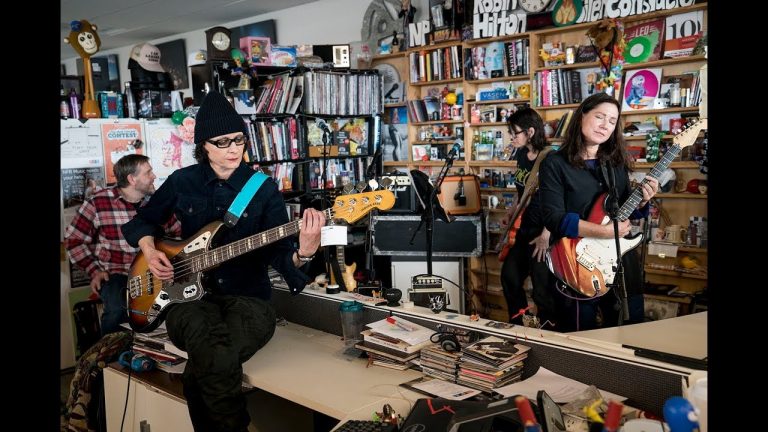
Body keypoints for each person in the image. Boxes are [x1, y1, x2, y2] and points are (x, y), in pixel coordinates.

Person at [121, 91, 326, 432]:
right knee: (208, 344)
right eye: (223, 142)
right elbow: (142, 222)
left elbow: (279, 251)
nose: (234, 149)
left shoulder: (262, 188)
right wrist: (149, 248)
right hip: (186, 299)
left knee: (205, 367)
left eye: (239, 141)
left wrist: (304, 251)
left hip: (249, 300)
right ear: (204, 146)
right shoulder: (181, 181)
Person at [538, 93, 660, 331]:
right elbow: (554, 218)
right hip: (577, 263)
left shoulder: (614, 163)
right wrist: (603, 232)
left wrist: (643, 202)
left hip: (620, 263)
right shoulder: (555, 164)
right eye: (600, 117)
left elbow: (624, 212)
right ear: (582, 115)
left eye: (612, 121)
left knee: (630, 332)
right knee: (579, 338)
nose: (605, 125)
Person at [65, 154, 177, 335]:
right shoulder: (98, 202)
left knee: (172, 313)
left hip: (154, 274)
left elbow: (179, 233)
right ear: (132, 179)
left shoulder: (157, 201)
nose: (154, 176)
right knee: (118, 310)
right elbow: (74, 240)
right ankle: (110, 359)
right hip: (116, 274)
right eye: (148, 172)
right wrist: (95, 271)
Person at [499, 108, 558, 328]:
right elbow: (522, 191)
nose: (512, 137)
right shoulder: (523, 155)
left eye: (515, 133)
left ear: (530, 131)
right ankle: (520, 327)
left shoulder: (552, 159)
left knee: (543, 292)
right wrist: (511, 212)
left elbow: (560, 202)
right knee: (510, 277)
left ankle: (549, 337)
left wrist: (546, 234)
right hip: (526, 230)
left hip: (545, 235)